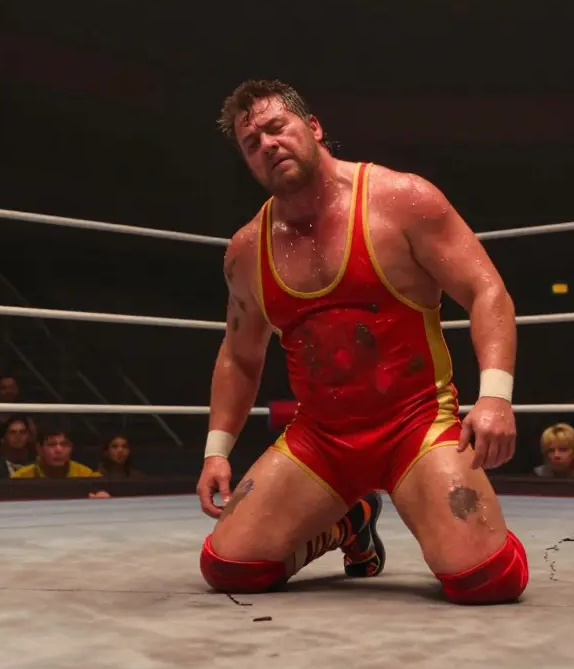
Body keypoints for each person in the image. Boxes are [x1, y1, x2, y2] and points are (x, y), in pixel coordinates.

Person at [195, 80, 526, 605]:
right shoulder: (245, 251)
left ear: (313, 126)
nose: (268, 144)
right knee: (226, 566)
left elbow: (487, 292)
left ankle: (440, 521)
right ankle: (350, 525)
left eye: (276, 127)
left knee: (486, 580)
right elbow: (239, 354)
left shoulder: (401, 200)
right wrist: (217, 451)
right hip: (321, 439)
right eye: (251, 143)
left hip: (416, 425)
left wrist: (495, 397)